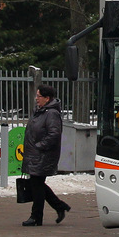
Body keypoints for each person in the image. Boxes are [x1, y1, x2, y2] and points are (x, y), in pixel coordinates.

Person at [21, 85, 69, 226]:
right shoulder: (40, 112)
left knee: (36, 184)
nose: (36, 99)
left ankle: (36, 217)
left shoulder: (51, 113)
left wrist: (39, 146)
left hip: (43, 155)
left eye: (39, 96)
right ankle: (59, 206)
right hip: (35, 154)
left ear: (47, 98)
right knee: (37, 184)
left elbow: (54, 134)